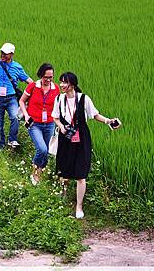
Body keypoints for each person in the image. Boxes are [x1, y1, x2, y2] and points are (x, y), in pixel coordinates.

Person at [52, 72, 121, 219]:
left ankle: (79, 206)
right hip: (66, 137)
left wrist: (108, 121)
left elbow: (95, 115)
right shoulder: (59, 98)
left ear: (73, 84)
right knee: (64, 170)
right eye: (61, 82)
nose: (62, 85)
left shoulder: (84, 99)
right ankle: (63, 192)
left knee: (80, 174)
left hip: (81, 137)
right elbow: (55, 117)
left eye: (65, 82)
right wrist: (61, 126)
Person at [19, 63, 60, 185]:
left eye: (50, 77)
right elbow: (21, 101)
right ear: (41, 75)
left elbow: (58, 106)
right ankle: (34, 172)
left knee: (46, 150)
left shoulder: (56, 88)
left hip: (49, 123)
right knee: (41, 149)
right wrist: (26, 115)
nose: (48, 80)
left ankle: (40, 171)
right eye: (46, 77)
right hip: (34, 123)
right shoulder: (32, 86)